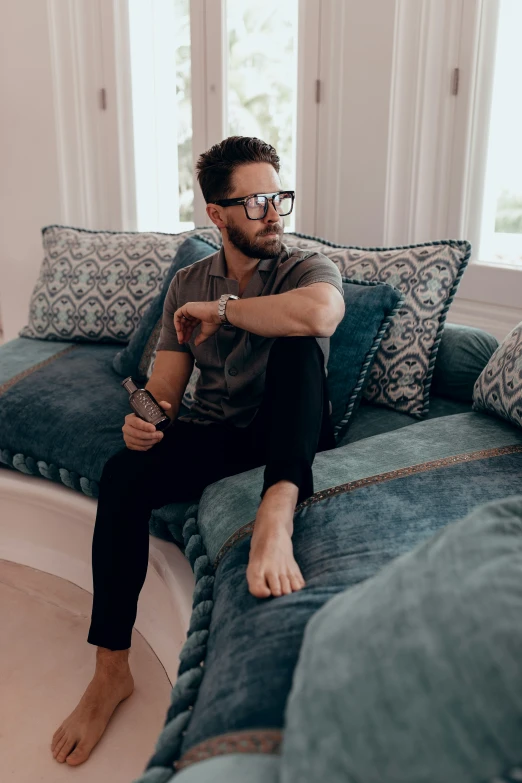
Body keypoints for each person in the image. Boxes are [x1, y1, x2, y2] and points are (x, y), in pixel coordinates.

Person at [50, 136, 345, 766]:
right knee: (123, 473)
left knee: (296, 345)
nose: (276, 213)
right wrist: (146, 421)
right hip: (217, 432)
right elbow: (164, 392)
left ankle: (277, 510)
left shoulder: (306, 268)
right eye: (258, 200)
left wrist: (227, 310)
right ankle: (110, 670)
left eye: (280, 197)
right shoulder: (187, 281)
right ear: (218, 214)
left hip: (289, 433)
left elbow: (321, 315)